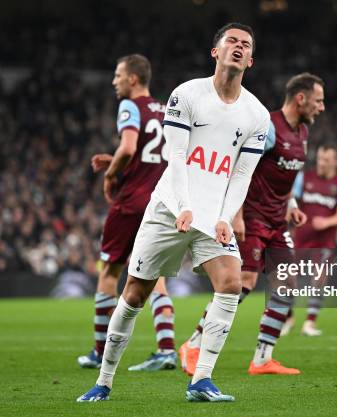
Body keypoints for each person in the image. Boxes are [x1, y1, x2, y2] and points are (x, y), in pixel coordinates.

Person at [77, 22, 269, 403]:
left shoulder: (257, 115)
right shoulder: (187, 94)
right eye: (231, 41)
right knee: (134, 293)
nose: (238, 47)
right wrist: (183, 206)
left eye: (245, 45)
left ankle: (201, 380)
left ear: (251, 59)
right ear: (215, 51)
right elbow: (176, 157)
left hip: (212, 215)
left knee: (231, 283)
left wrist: (225, 216)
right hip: (168, 207)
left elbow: (243, 173)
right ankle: (104, 380)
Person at [179, 73, 326, 376]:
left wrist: (293, 206)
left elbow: (285, 178)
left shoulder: (303, 133)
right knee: (242, 282)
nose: (321, 107)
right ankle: (193, 344)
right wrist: (236, 215)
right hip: (252, 218)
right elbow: (239, 167)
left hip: (277, 221)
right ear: (301, 98)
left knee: (286, 284)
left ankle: (262, 358)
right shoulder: (269, 128)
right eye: (318, 100)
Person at [77, 54, 177, 372]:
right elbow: (159, 156)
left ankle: (97, 351)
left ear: (133, 78)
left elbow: (131, 146)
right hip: (161, 202)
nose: (114, 81)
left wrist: (111, 175)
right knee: (156, 277)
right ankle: (166, 349)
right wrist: (118, 159)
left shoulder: (129, 106)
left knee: (109, 273)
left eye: (118, 75)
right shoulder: (166, 111)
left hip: (131, 202)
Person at [283, 142, 337, 336]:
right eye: (320, 158)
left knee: (318, 280)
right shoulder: (304, 178)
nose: (321, 163)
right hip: (300, 239)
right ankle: (288, 319)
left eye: (327, 160)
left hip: (324, 242)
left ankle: (310, 324)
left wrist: (327, 221)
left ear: (335, 162)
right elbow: (291, 201)